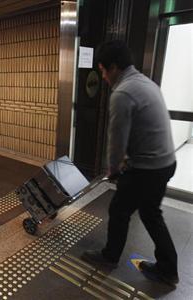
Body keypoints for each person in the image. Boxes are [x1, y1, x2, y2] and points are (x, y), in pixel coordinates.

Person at [82, 40, 178, 286]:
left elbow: (116, 143)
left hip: (148, 167)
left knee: (119, 209)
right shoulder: (145, 83)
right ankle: (168, 268)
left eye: (103, 70)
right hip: (165, 162)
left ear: (113, 67)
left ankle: (109, 256)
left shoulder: (123, 93)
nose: (102, 77)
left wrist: (114, 169)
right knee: (150, 213)